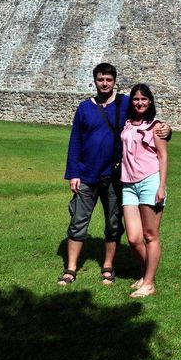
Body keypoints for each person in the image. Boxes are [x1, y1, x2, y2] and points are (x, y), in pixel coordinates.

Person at [58, 63, 170, 286]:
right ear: (95, 81)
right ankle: (70, 268)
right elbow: (75, 141)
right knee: (78, 220)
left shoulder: (125, 102)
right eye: (101, 79)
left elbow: (146, 117)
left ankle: (109, 266)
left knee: (113, 223)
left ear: (114, 81)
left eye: (109, 79)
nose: (105, 83)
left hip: (115, 175)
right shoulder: (84, 108)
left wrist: (167, 130)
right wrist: (73, 173)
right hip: (87, 174)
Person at [121, 83, 168, 298]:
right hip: (128, 183)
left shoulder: (156, 126)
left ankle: (148, 283)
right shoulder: (128, 123)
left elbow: (163, 156)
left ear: (150, 102)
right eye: (136, 99)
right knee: (133, 237)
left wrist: (161, 187)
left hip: (150, 182)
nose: (140, 103)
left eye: (144, 99)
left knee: (151, 235)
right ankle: (145, 273)